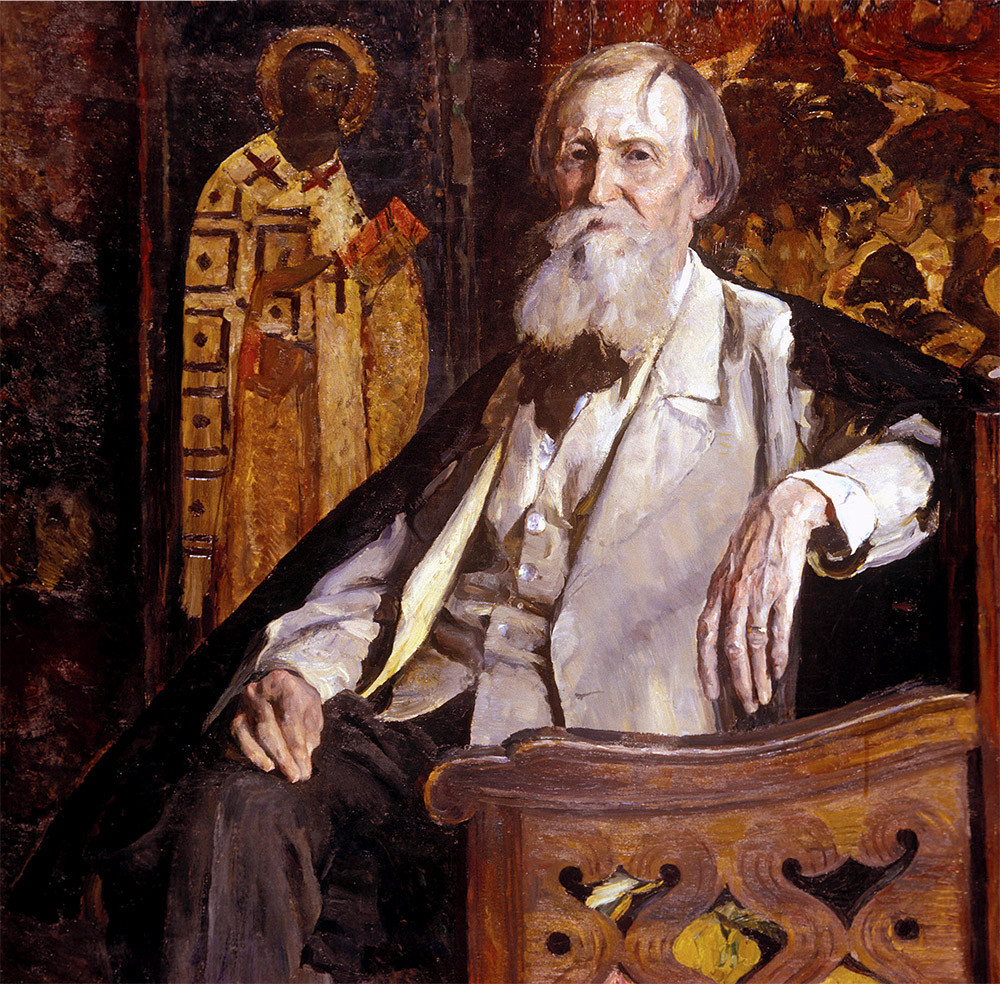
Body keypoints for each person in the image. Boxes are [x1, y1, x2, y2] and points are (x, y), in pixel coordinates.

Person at [102, 42, 937, 983]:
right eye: (578, 156)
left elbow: (935, 450)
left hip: (618, 775)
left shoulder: (769, 349)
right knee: (239, 807)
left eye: (637, 156)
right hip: (425, 735)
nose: (600, 188)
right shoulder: (530, 361)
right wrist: (298, 668)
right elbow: (390, 565)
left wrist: (810, 497)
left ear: (702, 188)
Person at [180, 27, 429, 631]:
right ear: (285, 90)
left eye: (342, 88)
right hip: (270, 406)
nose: (333, 99)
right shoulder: (240, 179)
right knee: (266, 551)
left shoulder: (336, 178)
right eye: (320, 84)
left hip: (338, 400)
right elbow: (215, 309)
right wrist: (281, 319)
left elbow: (355, 287)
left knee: (333, 562)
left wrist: (382, 265)